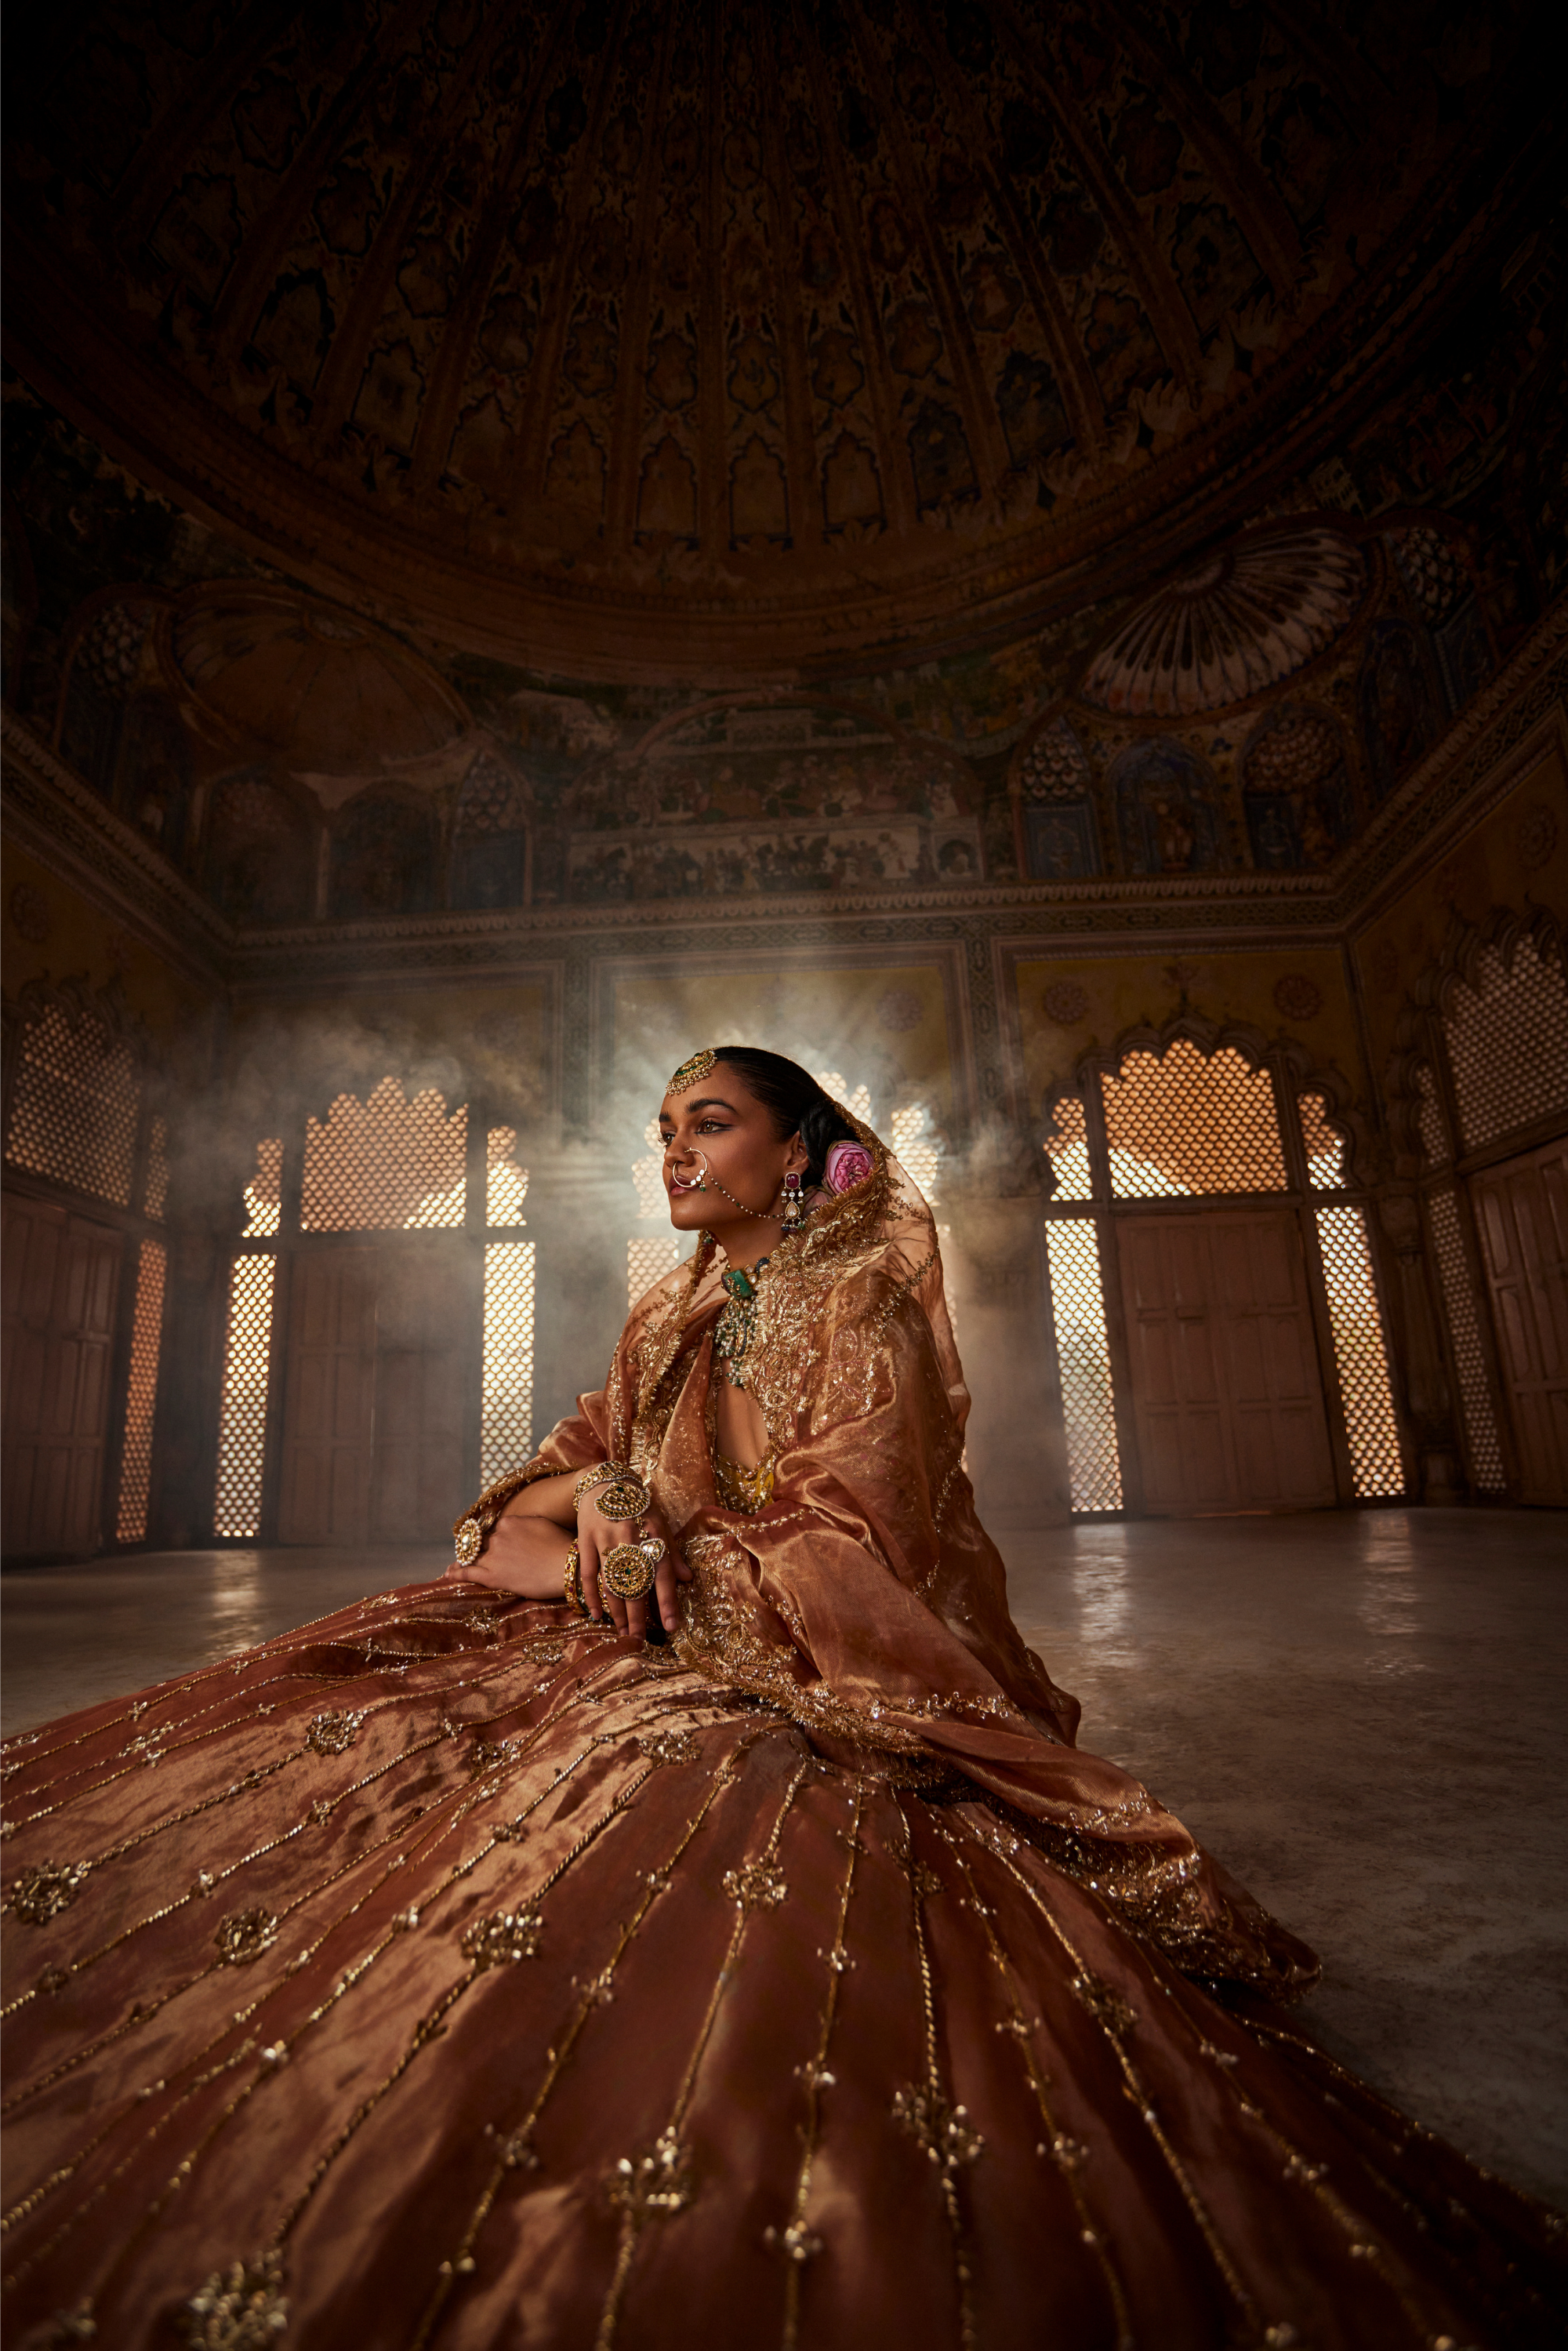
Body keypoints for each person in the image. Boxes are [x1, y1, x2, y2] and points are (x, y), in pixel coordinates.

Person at [1, 1047, 1561, 2349]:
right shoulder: (671, 1306)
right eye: (663, 1126)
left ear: (797, 1145)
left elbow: (854, 1551)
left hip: (807, 1664)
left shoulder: (856, 1305)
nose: (673, 1150)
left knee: (644, 1830)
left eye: (711, 1121)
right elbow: (548, 1483)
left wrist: (637, 1553)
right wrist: (602, 1498)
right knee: (345, 1699)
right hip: (651, 1614)